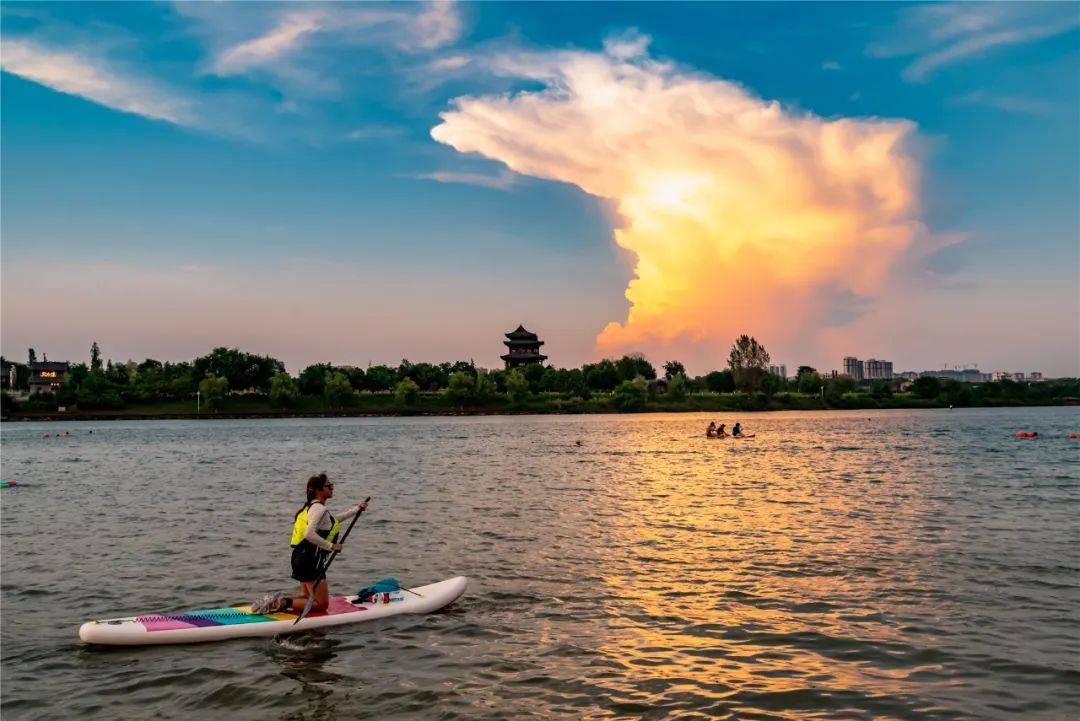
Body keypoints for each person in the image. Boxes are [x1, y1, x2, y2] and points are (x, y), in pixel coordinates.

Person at [251, 473, 367, 614]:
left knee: (307, 597)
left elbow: (332, 522)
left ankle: (274, 602)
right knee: (321, 604)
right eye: (328, 485)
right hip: (310, 560)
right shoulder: (319, 509)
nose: (331, 488)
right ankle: (282, 602)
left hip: (300, 557)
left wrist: (356, 509)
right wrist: (331, 546)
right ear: (318, 490)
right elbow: (309, 534)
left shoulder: (310, 507)